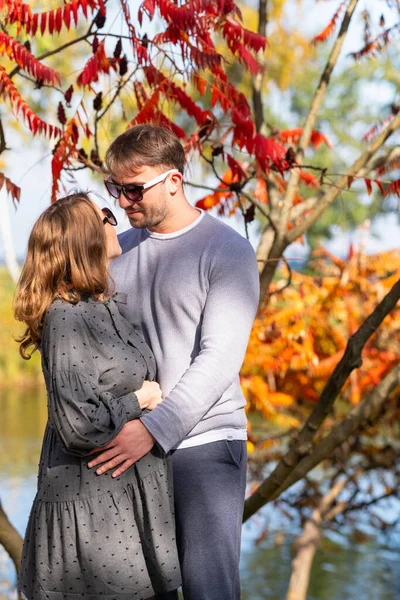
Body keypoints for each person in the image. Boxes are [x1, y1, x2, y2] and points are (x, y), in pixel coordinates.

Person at [88, 125, 260, 599]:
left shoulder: (227, 251)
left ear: (174, 181)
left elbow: (219, 360)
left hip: (204, 445)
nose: (123, 201)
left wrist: (153, 429)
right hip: (131, 446)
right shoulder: (117, 255)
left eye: (133, 188)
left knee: (209, 591)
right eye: (115, 189)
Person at [14, 193, 181, 600]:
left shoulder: (102, 306)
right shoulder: (65, 317)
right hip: (94, 511)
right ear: (85, 237)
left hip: (129, 498)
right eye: (105, 215)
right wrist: (139, 400)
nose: (115, 218)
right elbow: (77, 425)